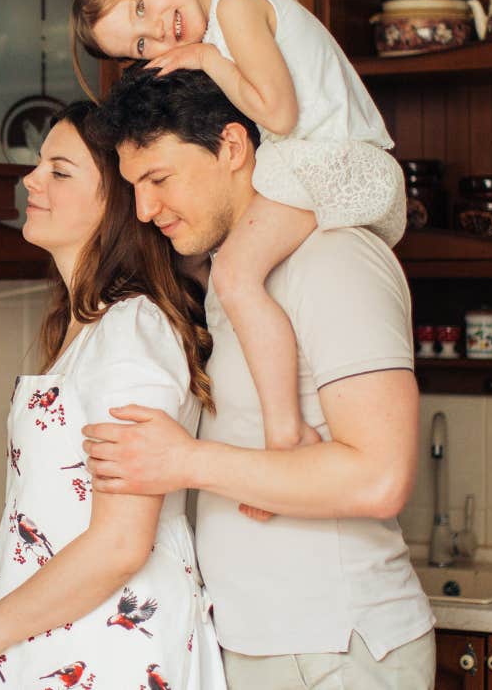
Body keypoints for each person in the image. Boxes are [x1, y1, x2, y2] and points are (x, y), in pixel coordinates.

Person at [85, 66, 435, 689]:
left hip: (337, 649)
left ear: (232, 146)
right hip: (262, 644)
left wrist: (186, 461)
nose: (144, 208)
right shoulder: (232, 274)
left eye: (159, 178)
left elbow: (380, 477)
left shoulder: (335, 257)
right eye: (134, 186)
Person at [0, 101, 226, 689]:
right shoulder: (89, 325)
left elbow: (122, 541)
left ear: (116, 202)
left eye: (60, 170)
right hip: (80, 637)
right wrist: (10, 598)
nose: (31, 178)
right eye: (39, 165)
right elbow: (74, 515)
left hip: (118, 655)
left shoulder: (132, 331)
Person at [70, 0, 405, 457]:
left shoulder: (235, 3)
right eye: (142, 44)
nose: (160, 35)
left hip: (337, 163)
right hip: (322, 164)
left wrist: (206, 59)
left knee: (235, 278)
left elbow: (280, 112)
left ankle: (284, 431)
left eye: (140, 8)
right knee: (227, 271)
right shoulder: (225, 20)